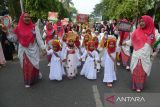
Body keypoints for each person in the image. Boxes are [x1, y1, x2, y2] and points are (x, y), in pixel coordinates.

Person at [6, 12, 46, 88]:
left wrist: (43, 48)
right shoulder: (18, 28)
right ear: (22, 18)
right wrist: (8, 32)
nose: (27, 18)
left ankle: (36, 75)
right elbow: (14, 39)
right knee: (26, 66)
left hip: (33, 48)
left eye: (28, 17)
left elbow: (39, 39)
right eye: (25, 17)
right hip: (23, 50)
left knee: (34, 64)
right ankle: (28, 81)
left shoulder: (34, 27)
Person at [123, 15, 156, 92]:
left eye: (143, 21)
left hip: (145, 56)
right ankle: (135, 85)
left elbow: (155, 45)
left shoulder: (152, 33)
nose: (141, 23)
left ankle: (139, 86)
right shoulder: (136, 31)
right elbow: (131, 41)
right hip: (136, 55)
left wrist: (155, 51)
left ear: (148, 22)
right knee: (136, 70)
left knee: (142, 71)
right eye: (140, 21)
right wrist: (125, 43)